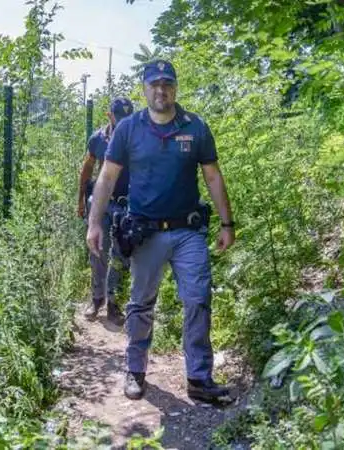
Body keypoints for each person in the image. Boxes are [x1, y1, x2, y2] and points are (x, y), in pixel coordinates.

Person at [86, 60, 236, 405]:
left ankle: (199, 378)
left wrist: (227, 224)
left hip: (188, 232)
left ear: (175, 88)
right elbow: (106, 177)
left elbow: (212, 176)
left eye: (167, 83)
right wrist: (95, 223)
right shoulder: (129, 129)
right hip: (146, 233)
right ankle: (135, 371)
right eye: (154, 84)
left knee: (198, 299)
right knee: (141, 305)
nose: (161, 90)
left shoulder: (195, 127)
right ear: (144, 88)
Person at [77, 97, 134, 327]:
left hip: (126, 205)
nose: (123, 123)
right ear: (109, 115)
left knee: (122, 255)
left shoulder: (136, 138)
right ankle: (96, 299)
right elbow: (87, 169)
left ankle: (114, 304)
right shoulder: (98, 139)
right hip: (101, 203)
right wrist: (80, 201)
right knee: (97, 251)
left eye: (127, 119)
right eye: (119, 118)